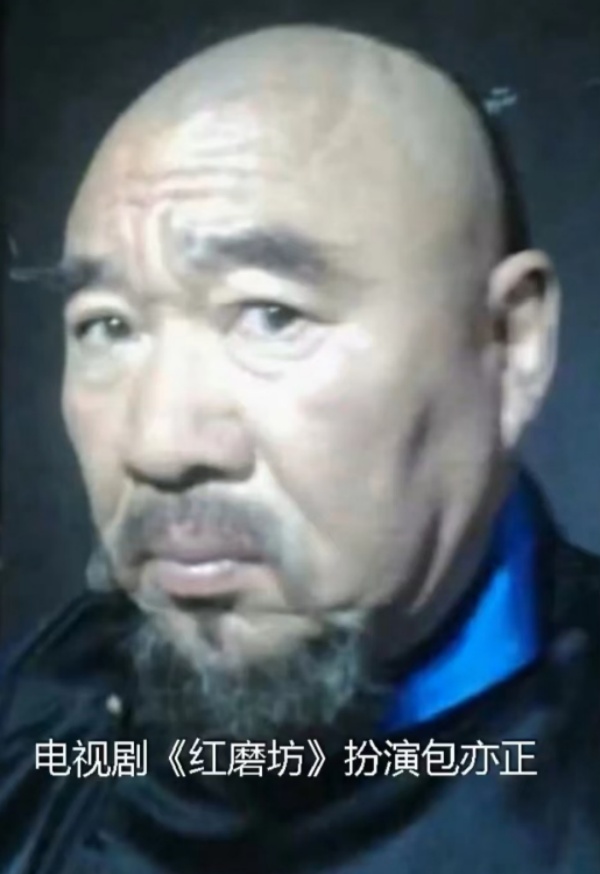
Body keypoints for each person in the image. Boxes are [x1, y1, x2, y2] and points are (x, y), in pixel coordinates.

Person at [1, 24, 598, 874]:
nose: (158, 444)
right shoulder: (36, 714)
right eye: (108, 326)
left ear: (510, 342)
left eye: (272, 315)